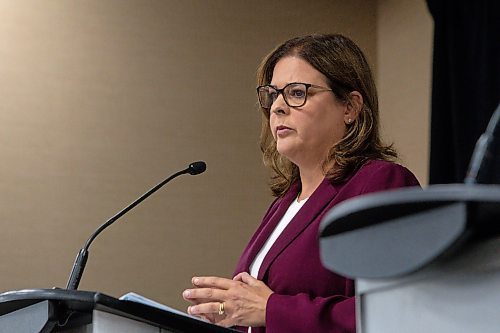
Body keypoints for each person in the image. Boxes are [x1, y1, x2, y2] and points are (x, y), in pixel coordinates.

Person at [182, 33, 420, 332]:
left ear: (350, 107)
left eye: (296, 93)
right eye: (273, 94)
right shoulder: (284, 204)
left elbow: (402, 311)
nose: (277, 107)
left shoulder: (380, 183)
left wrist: (273, 310)